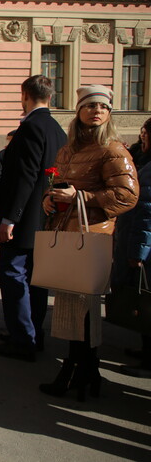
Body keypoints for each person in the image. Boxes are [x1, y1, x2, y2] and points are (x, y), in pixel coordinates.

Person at [38, 85, 137, 400]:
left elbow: (127, 195)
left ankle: (76, 371)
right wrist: (48, 201)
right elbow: (58, 185)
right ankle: (85, 372)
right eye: (91, 105)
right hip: (68, 234)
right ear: (79, 110)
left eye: (104, 107)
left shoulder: (113, 149)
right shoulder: (67, 150)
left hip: (93, 238)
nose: (97, 111)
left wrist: (80, 196)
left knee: (85, 308)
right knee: (72, 308)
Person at [0, 75, 67, 362]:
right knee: (35, 280)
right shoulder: (57, 129)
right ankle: (32, 334)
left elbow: (25, 177)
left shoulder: (31, 127)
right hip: (45, 216)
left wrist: (10, 219)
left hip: (25, 219)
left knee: (13, 275)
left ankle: (23, 339)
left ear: (24, 95)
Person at [113, 116, 151, 378]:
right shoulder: (145, 162)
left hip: (145, 249)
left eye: (145, 134)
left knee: (146, 300)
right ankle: (146, 350)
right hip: (139, 243)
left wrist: (137, 253)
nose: (142, 138)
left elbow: (147, 215)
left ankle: (149, 361)